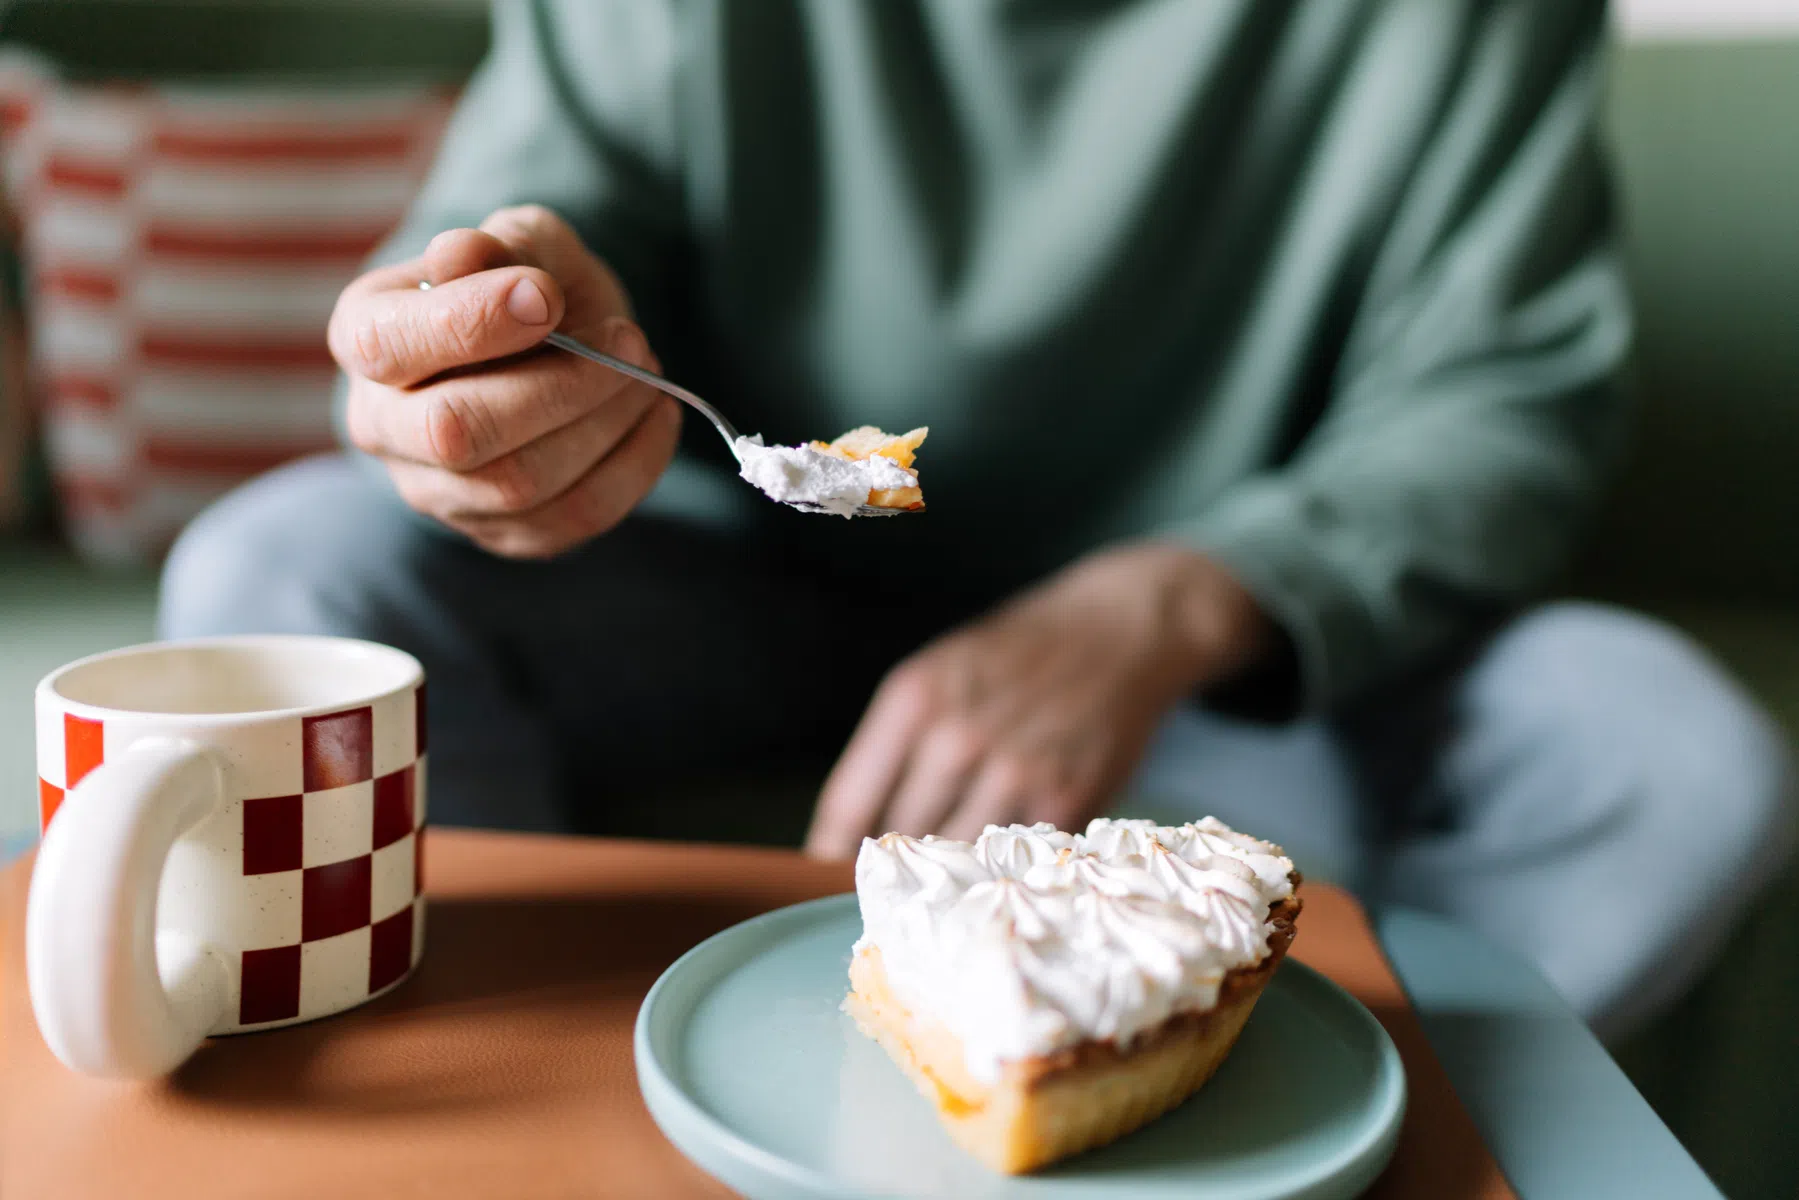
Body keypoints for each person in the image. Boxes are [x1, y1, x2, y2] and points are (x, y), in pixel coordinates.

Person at [160, 0, 1791, 1041]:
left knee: (1667, 753)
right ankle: (550, 1096)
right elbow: (518, 238)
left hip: (1212, 678)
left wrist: (1158, 607)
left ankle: (1278, 1104)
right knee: (281, 575)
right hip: (716, 608)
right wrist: (483, 369)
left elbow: (1504, 401)